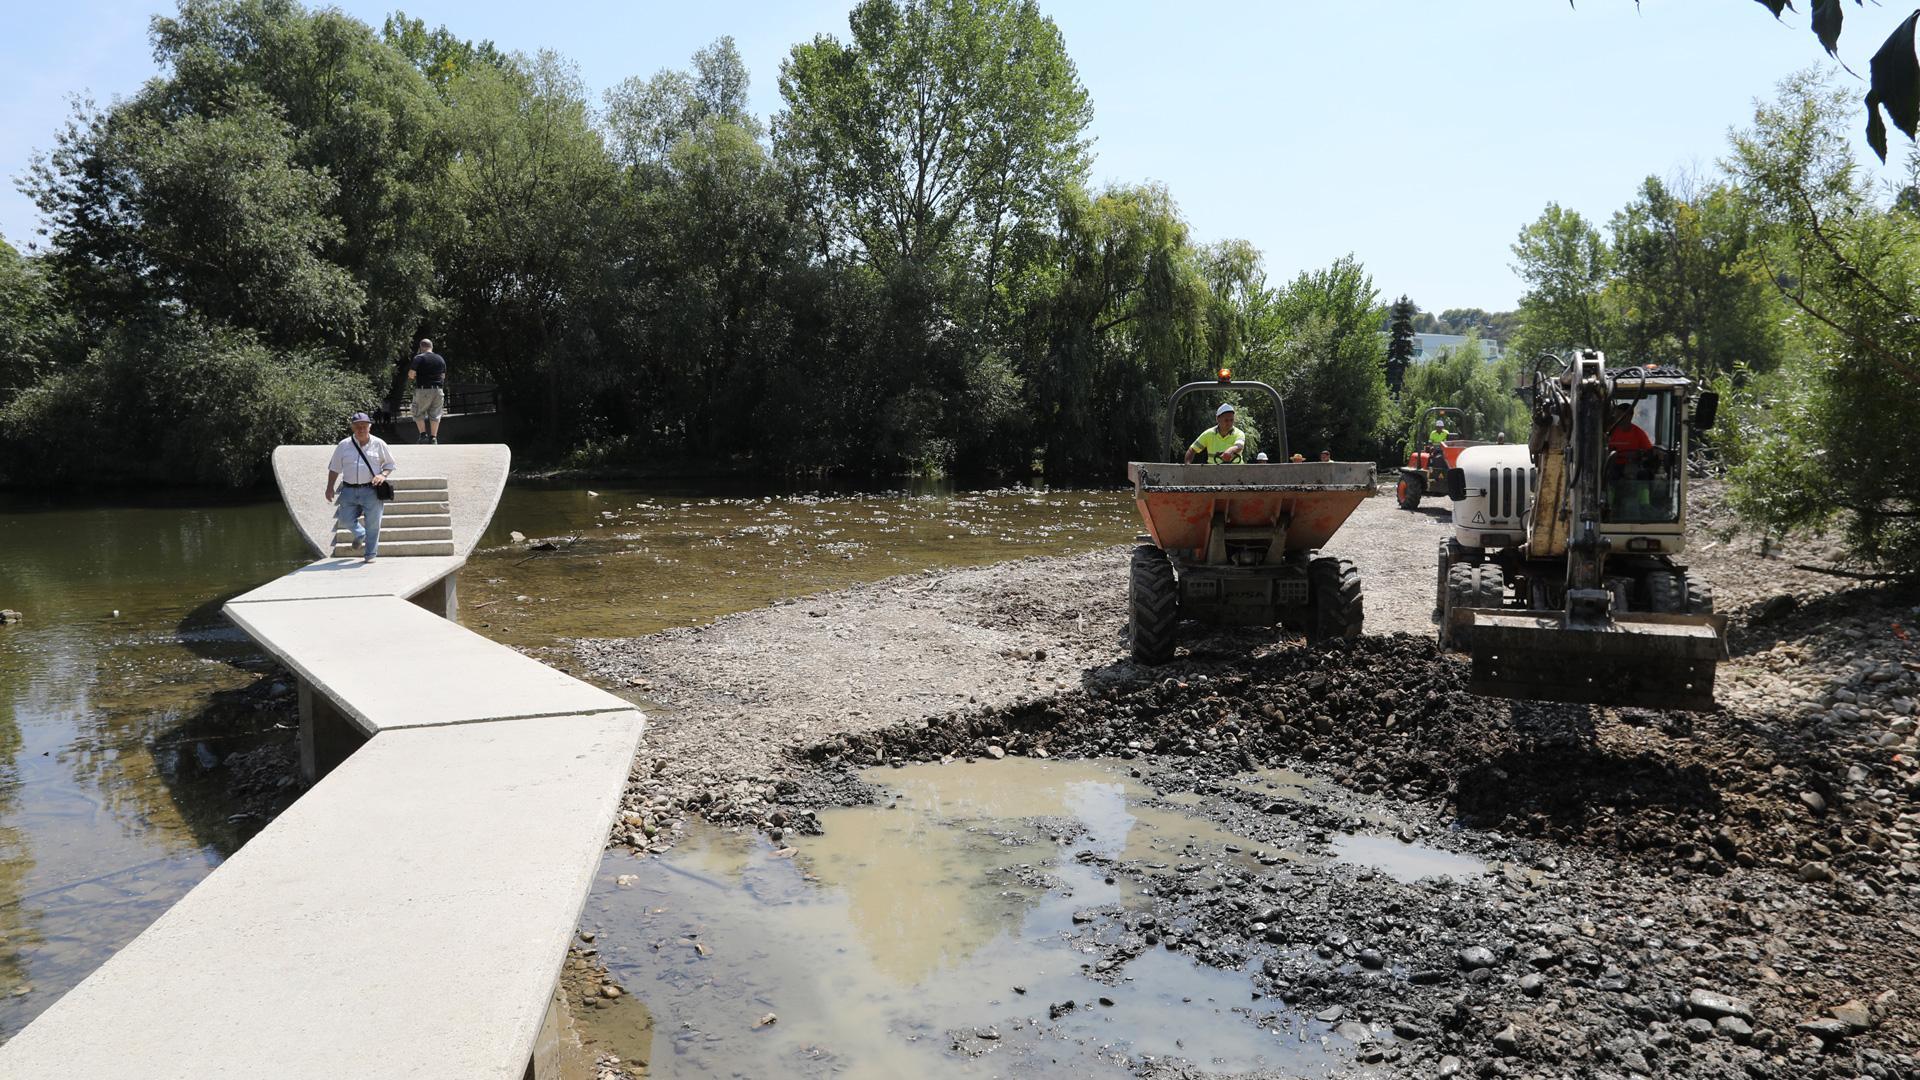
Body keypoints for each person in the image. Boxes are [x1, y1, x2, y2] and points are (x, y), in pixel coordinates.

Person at [326, 413, 397, 562]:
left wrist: (382, 475)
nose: (361, 429)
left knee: (373, 524)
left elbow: (390, 465)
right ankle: (360, 533)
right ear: (352, 428)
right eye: (357, 426)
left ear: (369, 427)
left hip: (371, 490)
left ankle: (370, 555)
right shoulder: (343, 445)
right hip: (348, 490)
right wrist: (330, 487)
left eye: (364, 426)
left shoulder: (379, 444)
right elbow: (334, 468)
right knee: (344, 519)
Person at [407, 338, 449, 444]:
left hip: (423, 389)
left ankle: (423, 435)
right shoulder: (440, 359)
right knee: (435, 414)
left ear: (421, 348)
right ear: (431, 346)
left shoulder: (419, 358)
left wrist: (414, 375)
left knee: (418, 411)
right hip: (438, 390)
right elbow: (443, 376)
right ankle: (433, 438)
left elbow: (411, 374)